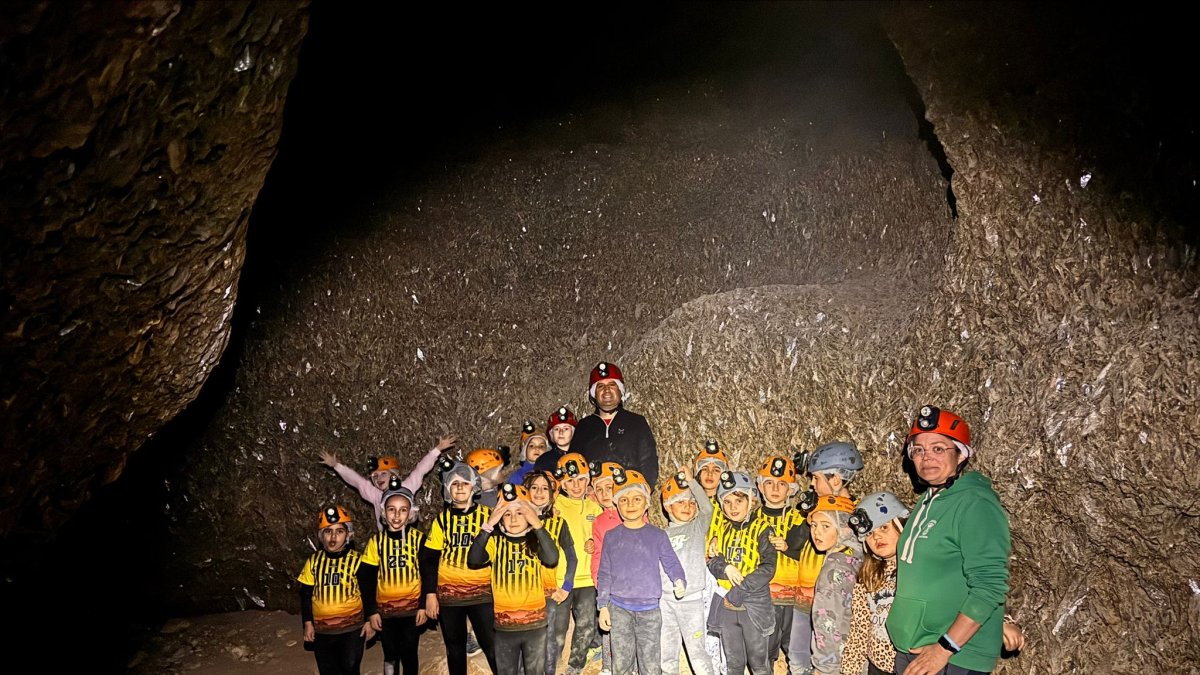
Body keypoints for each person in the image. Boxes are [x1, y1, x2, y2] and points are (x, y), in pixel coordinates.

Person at [886, 406, 1012, 675]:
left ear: (960, 453)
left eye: (938, 448)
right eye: (918, 450)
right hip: (914, 646)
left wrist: (945, 648)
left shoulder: (975, 503)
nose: (926, 457)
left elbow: (989, 585)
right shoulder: (928, 501)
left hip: (953, 656)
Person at [596, 468, 687, 675]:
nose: (630, 504)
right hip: (618, 608)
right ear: (616, 504)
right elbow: (605, 572)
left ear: (646, 503)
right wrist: (603, 606)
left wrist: (679, 580)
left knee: (650, 661)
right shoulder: (611, 536)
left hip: (650, 610)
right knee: (621, 661)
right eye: (624, 500)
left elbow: (671, 562)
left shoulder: (657, 535)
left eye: (637, 499)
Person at [784, 441, 864, 675]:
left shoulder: (857, 523)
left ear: (835, 480)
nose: (811, 483)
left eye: (816, 478)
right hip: (807, 600)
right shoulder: (817, 511)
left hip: (832, 615)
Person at [468, 483, 560, 675]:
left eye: (520, 513)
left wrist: (537, 524)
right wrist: (488, 525)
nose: (514, 519)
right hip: (504, 628)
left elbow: (552, 558)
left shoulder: (536, 542)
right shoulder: (495, 543)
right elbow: (474, 559)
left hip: (535, 625)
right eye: (507, 514)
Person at [418, 458, 498, 675]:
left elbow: (498, 554)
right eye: (454, 483)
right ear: (447, 489)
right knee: (454, 648)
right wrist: (430, 594)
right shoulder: (441, 520)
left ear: (474, 486)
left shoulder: (488, 516)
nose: (460, 487)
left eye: (465, 482)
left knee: (491, 645)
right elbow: (429, 559)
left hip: (482, 594)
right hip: (450, 596)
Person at [707, 470, 777, 675]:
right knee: (734, 663)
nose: (733, 507)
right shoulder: (722, 531)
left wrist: (740, 589)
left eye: (739, 501)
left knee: (759, 663)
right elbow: (713, 562)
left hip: (753, 607)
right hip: (728, 608)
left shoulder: (763, 528)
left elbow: (768, 568)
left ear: (751, 500)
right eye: (727, 502)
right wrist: (725, 567)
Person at [358, 478, 427, 675]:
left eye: (403, 510)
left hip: (411, 611)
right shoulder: (376, 542)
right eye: (391, 509)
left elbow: (427, 574)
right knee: (390, 654)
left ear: (411, 513)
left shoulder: (419, 540)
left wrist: (423, 605)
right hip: (385, 613)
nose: (397, 515)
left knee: (409, 653)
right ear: (383, 512)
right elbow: (367, 579)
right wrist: (371, 612)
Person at [297, 505, 374, 675]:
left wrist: (370, 621)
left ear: (348, 534)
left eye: (339, 531)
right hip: (323, 631)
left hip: (352, 629)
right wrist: (308, 623)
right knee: (327, 670)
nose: (333, 537)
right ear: (321, 536)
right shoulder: (313, 561)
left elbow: (368, 593)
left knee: (350, 667)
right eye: (328, 531)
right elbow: (306, 595)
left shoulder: (358, 561)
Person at [319, 435, 457, 529]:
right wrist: (336, 466)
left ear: (394, 475)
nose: (379, 478)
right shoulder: (375, 495)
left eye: (383, 474)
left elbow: (421, 469)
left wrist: (437, 450)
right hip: (386, 541)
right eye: (375, 476)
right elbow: (357, 481)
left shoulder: (407, 487)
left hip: (407, 538)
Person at [550, 452, 603, 675]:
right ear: (562, 483)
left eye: (581, 479)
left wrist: (594, 542)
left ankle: (575, 664)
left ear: (588, 479)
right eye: (570, 481)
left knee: (586, 624)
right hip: (561, 578)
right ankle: (550, 665)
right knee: (557, 627)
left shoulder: (595, 508)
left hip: (587, 578)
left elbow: (601, 536)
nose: (576, 485)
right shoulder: (555, 505)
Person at [658, 470, 717, 675]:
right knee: (666, 651)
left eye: (692, 502)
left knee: (697, 651)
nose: (688, 506)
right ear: (667, 506)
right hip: (664, 601)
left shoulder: (697, 528)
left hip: (692, 600)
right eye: (681, 501)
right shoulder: (660, 535)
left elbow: (707, 509)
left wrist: (692, 482)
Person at [523, 469, 579, 675]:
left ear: (552, 493)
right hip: (519, 595)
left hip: (547, 594)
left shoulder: (558, 523)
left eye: (545, 488)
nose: (539, 493)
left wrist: (566, 587)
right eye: (534, 488)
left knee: (549, 641)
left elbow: (572, 558)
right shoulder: (514, 520)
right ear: (526, 490)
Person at [574, 362, 660, 486]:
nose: (606, 390)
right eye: (600, 386)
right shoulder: (584, 427)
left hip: (629, 492)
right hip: (595, 495)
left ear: (620, 391)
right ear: (594, 394)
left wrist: (641, 491)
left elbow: (649, 462)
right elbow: (575, 465)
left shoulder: (636, 422)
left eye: (612, 385)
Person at [757, 455, 805, 667]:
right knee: (764, 654)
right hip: (763, 599)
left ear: (791, 489)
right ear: (760, 487)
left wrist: (788, 548)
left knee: (797, 652)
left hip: (794, 599)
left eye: (782, 484)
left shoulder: (802, 519)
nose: (775, 488)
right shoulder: (752, 518)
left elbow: (811, 556)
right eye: (769, 483)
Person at [807, 495, 864, 675]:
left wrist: (823, 666)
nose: (817, 532)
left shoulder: (834, 567)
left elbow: (826, 620)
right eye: (814, 525)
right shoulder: (857, 554)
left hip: (835, 661)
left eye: (826, 526)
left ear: (844, 528)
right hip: (855, 655)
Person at [587, 460, 624, 675]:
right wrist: (597, 579)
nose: (604, 493)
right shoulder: (599, 521)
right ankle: (608, 666)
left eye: (609, 487)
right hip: (609, 581)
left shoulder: (631, 511)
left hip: (631, 582)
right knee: (608, 624)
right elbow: (598, 553)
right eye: (599, 489)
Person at [534, 405, 577, 474]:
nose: (561, 432)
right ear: (551, 434)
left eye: (566, 428)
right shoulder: (543, 461)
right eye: (556, 429)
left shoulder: (583, 456)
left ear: (573, 432)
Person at [509, 421, 551, 486]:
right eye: (532, 446)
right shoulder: (517, 476)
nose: (537, 448)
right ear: (525, 450)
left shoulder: (553, 472)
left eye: (541, 446)